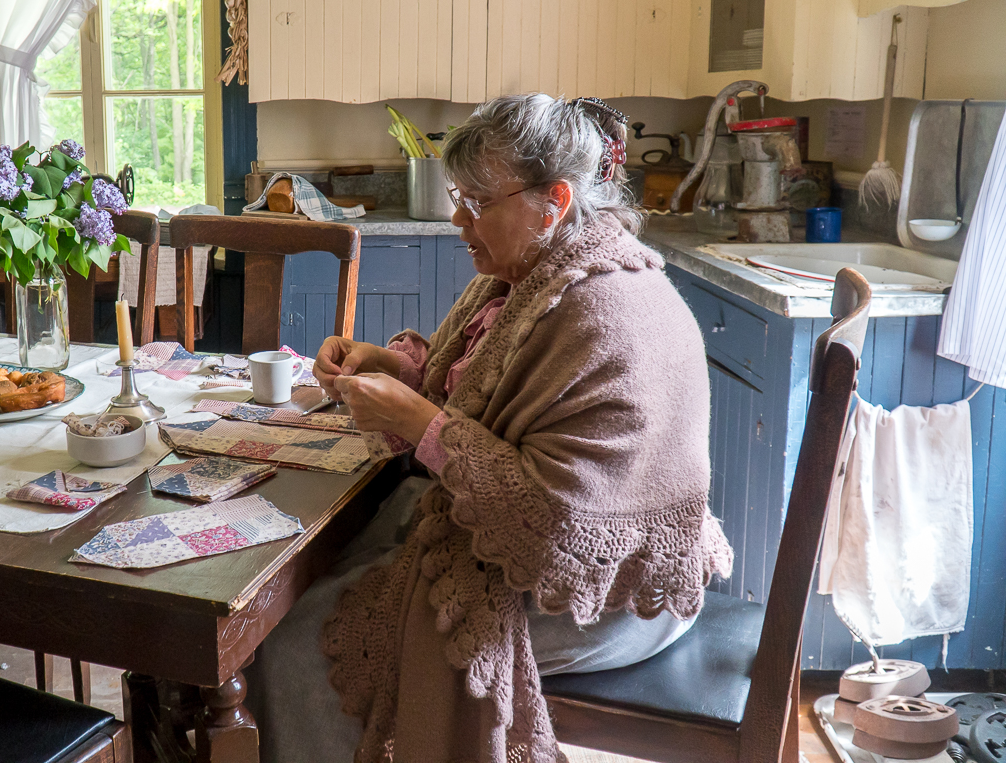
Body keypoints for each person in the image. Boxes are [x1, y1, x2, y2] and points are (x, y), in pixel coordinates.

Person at [245, 94, 733, 763]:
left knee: (302, 637)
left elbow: (558, 524)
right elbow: (482, 398)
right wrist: (401, 372)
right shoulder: (534, 275)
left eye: (477, 201)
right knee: (313, 577)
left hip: (610, 594)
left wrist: (418, 421)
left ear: (553, 199)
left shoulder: (600, 312)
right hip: (544, 562)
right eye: (458, 195)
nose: (456, 218)